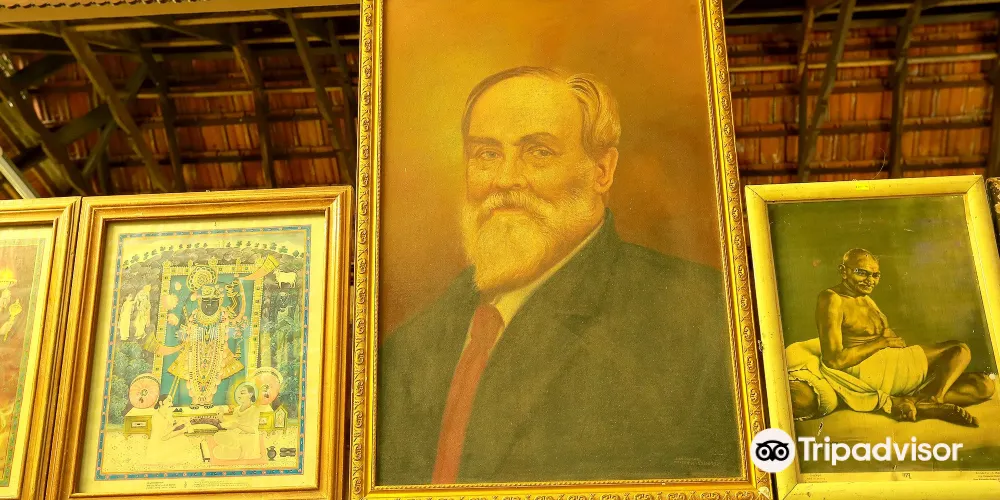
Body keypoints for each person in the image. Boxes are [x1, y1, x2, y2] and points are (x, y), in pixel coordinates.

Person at [378, 66, 740, 485]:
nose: (505, 179)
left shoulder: (703, 315)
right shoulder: (409, 346)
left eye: (539, 152)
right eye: (487, 154)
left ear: (602, 170)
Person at [797, 248, 996, 425]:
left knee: (983, 385)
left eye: (875, 275)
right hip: (868, 369)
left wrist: (887, 340)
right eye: (862, 272)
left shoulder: (865, 298)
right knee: (959, 350)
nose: (870, 280)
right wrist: (882, 342)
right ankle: (933, 399)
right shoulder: (832, 298)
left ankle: (916, 401)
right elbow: (834, 360)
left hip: (890, 367)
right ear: (843, 271)